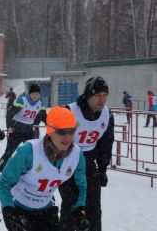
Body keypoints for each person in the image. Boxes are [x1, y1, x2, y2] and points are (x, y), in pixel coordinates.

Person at [0, 106, 88, 231]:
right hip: (18, 208)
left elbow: (80, 187)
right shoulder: (29, 151)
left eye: (71, 132)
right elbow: (3, 184)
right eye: (62, 132)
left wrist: (79, 210)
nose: (68, 138)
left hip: (46, 209)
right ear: (50, 130)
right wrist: (8, 210)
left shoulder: (77, 155)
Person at [59, 76, 114, 231]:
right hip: (67, 166)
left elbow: (106, 143)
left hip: (89, 166)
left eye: (105, 95)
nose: (102, 100)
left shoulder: (106, 114)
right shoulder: (69, 111)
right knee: (71, 208)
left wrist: (102, 170)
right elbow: (52, 142)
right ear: (88, 95)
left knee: (94, 210)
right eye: (98, 95)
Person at [0, 84, 47, 183]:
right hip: (16, 131)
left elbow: (43, 116)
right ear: (30, 94)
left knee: (32, 153)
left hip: (28, 132)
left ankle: (30, 176)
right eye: (33, 94)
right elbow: (10, 113)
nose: (35, 96)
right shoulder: (22, 100)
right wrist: (9, 127)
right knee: (8, 153)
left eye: (37, 94)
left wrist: (50, 123)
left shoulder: (41, 102)